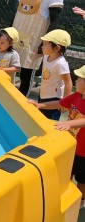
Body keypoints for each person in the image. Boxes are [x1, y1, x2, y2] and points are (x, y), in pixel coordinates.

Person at [30, 65, 85, 205]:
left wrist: (70, 124)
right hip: (70, 144)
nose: (76, 81)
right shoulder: (77, 96)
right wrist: (41, 105)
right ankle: (65, 194)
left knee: (82, 179)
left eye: (80, 79)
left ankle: (81, 201)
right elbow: (60, 103)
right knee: (66, 172)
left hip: (83, 152)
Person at [12, 0, 64, 97]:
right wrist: (8, 31)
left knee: (26, 73)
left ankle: (21, 102)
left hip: (34, 39)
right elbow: (18, 10)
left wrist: (45, 44)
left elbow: (53, 21)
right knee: (9, 65)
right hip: (16, 33)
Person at [37, 29, 72, 120]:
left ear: (56, 48)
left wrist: (65, 102)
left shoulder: (60, 64)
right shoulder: (46, 57)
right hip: (43, 94)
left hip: (54, 98)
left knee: (50, 121)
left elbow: (68, 83)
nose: (42, 47)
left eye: (45, 44)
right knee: (40, 118)